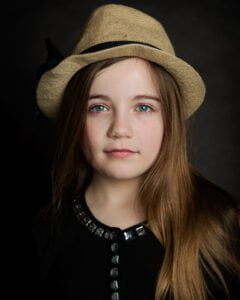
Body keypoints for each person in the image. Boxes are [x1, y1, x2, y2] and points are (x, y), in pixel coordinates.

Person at [33, 3, 239, 300]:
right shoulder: (45, 234)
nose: (120, 129)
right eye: (98, 107)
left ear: (169, 119)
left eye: (143, 107)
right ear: (75, 121)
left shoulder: (220, 224)